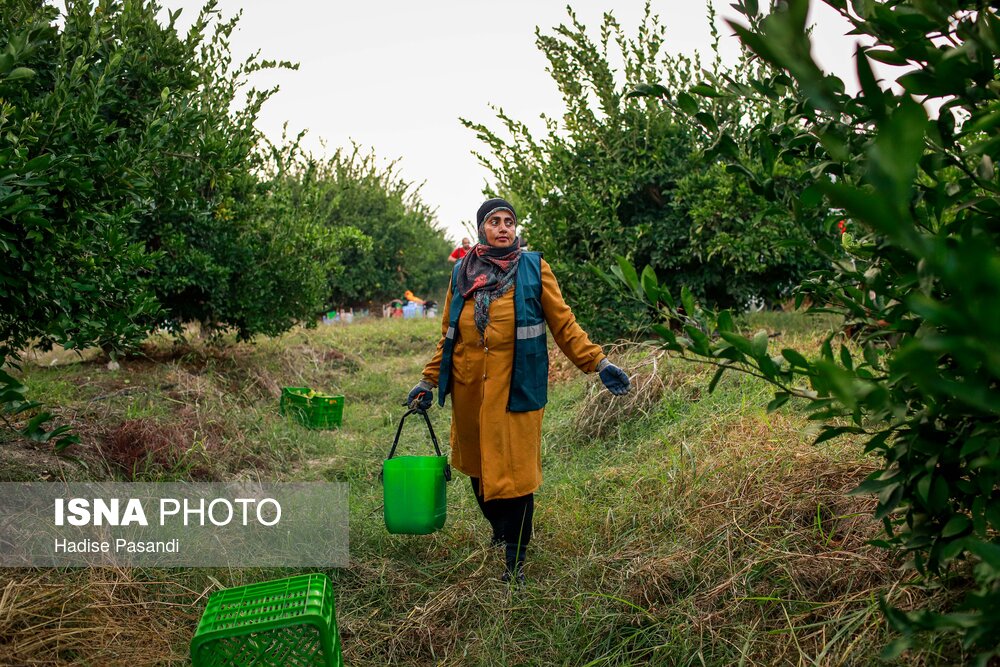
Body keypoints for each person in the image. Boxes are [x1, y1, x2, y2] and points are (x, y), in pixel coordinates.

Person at [406, 198, 630, 584]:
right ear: (481, 229)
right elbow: (449, 335)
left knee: (516, 474)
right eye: (494, 221)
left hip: (517, 388)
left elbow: (564, 325)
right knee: (478, 468)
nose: (503, 228)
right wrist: (427, 381)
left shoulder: (533, 268)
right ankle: (500, 531)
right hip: (469, 390)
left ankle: (516, 559)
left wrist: (598, 362)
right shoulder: (462, 272)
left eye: (509, 221)